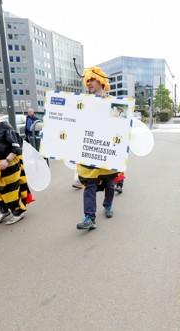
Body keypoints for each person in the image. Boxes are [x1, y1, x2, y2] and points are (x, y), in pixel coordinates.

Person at [76, 66, 118, 230]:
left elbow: (119, 127)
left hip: (106, 151)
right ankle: (89, 217)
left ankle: (108, 205)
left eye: (91, 80)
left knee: (109, 185)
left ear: (101, 81)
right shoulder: (82, 103)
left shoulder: (113, 103)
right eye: (87, 81)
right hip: (89, 152)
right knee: (89, 185)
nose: (89, 83)